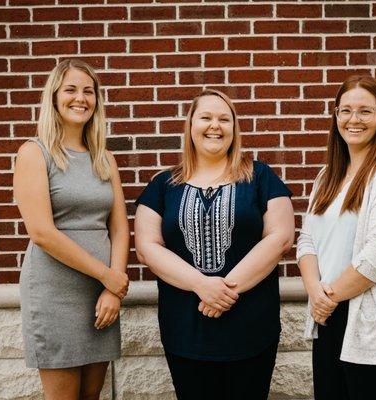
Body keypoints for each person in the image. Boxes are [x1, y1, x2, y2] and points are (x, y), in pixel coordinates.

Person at [134, 89, 295, 400]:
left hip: (251, 329)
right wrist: (200, 284)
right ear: (190, 126)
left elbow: (281, 237)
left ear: (234, 129)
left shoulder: (260, 177)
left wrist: (223, 290)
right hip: (185, 331)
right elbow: (147, 247)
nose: (215, 125)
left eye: (225, 119)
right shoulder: (163, 185)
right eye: (205, 117)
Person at [296, 75, 376, 400]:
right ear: (336, 115)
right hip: (328, 318)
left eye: (365, 111)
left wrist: (327, 298)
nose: (354, 119)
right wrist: (316, 294)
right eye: (346, 110)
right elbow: (307, 241)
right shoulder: (327, 176)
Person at [13, 59, 129, 400]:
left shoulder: (104, 159)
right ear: (54, 97)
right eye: (71, 90)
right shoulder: (34, 153)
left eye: (88, 91)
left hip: (101, 296)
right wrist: (108, 277)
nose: (81, 98)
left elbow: (120, 228)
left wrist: (113, 288)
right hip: (54, 294)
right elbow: (42, 233)